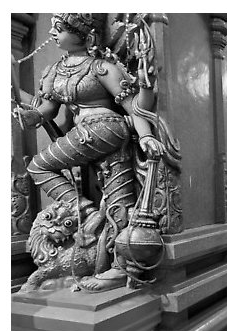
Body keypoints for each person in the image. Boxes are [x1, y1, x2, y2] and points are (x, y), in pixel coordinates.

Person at [12, 14, 169, 291]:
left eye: (60, 29)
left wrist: (145, 136)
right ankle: (119, 267)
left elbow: (133, 106)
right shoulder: (53, 71)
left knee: (39, 166)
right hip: (91, 136)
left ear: (84, 34)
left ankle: (86, 212)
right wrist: (28, 115)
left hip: (105, 128)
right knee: (120, 199)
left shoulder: (102, 67)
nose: (52, 32)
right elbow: (46, 111)